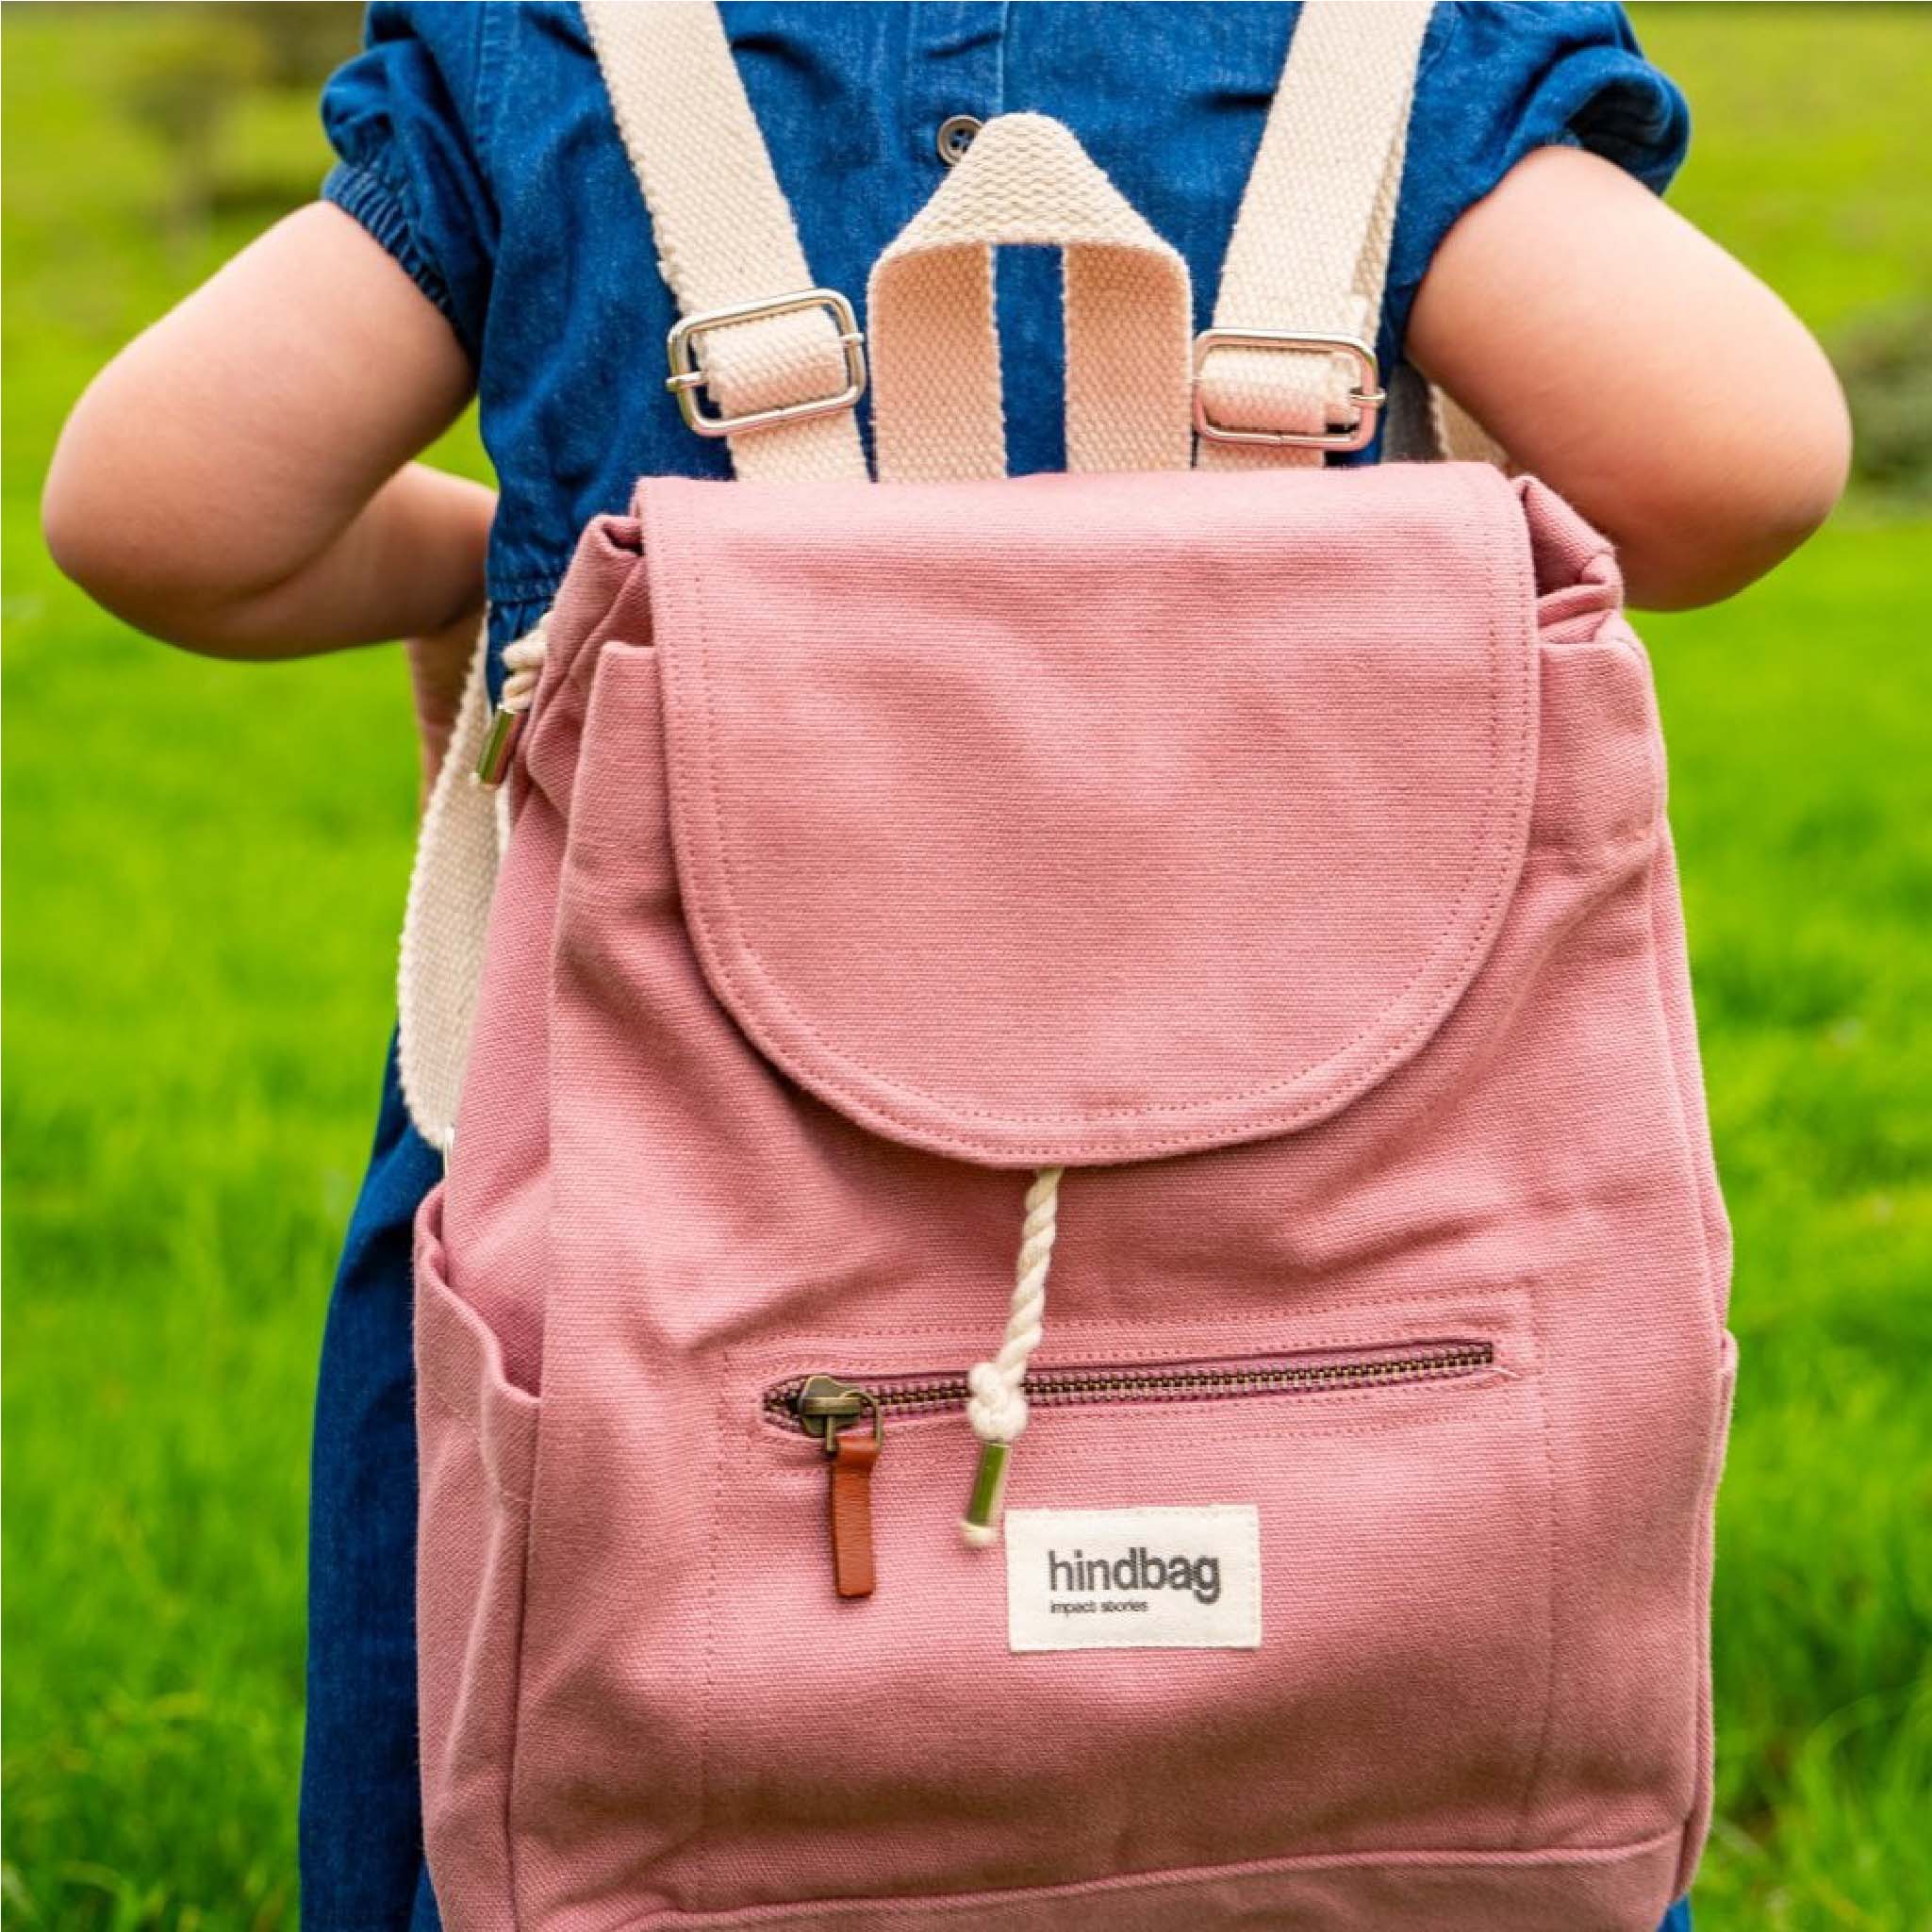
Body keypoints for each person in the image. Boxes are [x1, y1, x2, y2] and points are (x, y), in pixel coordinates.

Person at [41, 6, 1847, 1927]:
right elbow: (1733, 461)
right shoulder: (1383, 56)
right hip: (1322, 1193)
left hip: (668, 1201)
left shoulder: (554, 57)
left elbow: (162, 514)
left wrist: (533, 570)